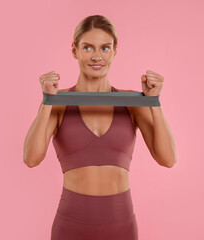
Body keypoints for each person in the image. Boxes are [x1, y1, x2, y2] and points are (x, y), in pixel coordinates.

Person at [23, 15, 177, 240]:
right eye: (88, 47)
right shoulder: (59, 102)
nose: (97, 56)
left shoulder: (132, 102)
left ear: (115, 51)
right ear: (75, 50)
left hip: (121, 225)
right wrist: (47, 99)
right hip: (70, 226)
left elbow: (168, 159)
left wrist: (153, 101)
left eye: (105, 48)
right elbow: (31, 158)